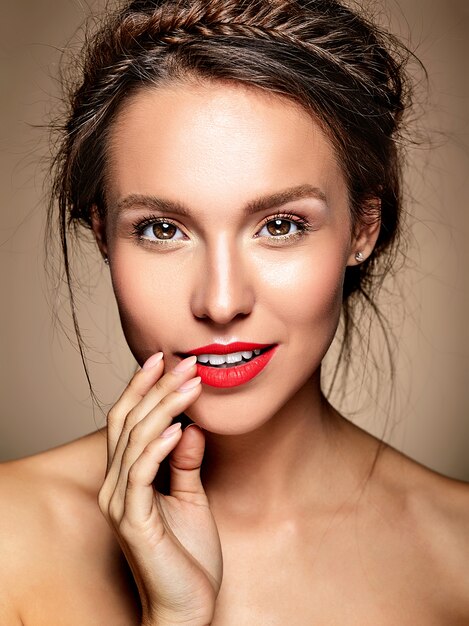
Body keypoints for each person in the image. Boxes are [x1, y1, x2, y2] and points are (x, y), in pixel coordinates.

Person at [1, 0, 468, 624]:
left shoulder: (457, 555)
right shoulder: (12, 537)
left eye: (280, 225)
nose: (221, 303)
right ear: (102, 235)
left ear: (363, 227)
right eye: (162, 229)